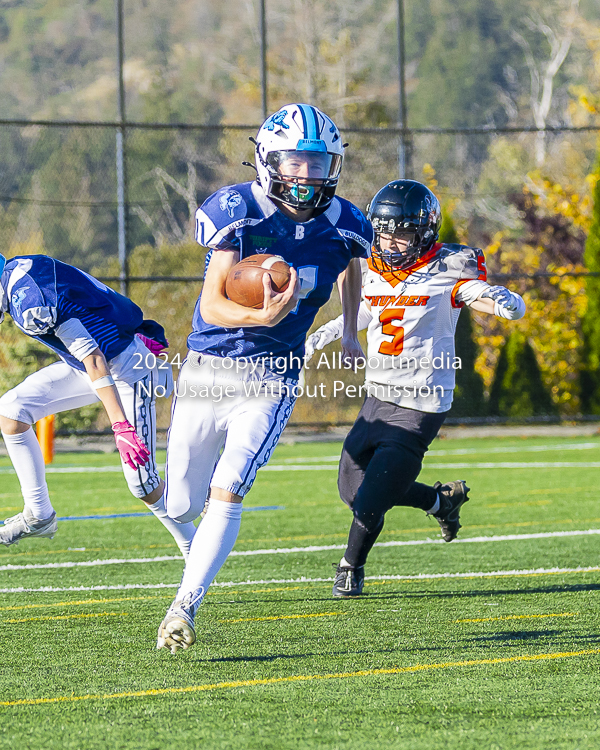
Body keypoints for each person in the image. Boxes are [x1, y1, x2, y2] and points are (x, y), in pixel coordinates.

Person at [156, 103, 372, 653]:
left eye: (317, 162)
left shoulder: (346, 223)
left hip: (273, 375)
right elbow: (213, 304)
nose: (305, 174)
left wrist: (350, 328)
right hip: (209, 365)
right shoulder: (238, 210)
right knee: (179, 500)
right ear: (267, 159)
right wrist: (260, 315)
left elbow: (351, 265)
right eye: (294, 160)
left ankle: (184, 607)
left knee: (228, 489)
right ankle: (195, 545)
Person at [304, 179, 526, 597]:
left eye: (401, 230)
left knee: (370, 503)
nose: (389, 240)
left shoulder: (447, 269)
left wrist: (502, 300)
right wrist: (329, 333)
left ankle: (350, 568)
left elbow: (471, 292)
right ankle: (440, 502)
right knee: (352, 492)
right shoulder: (373, 268)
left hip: (420, 403)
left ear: (424, 230)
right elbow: (371, 310)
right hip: (377, 398)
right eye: (383, 230)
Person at [0, 253, 196, 558]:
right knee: (11, 412)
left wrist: (119, 425)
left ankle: (195, 548)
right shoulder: (21, 268)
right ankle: (39, 515)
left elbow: (94, 358)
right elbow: (88, 299)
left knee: (141, 481)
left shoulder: (31, 303)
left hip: (127, 367)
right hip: (96, 364)